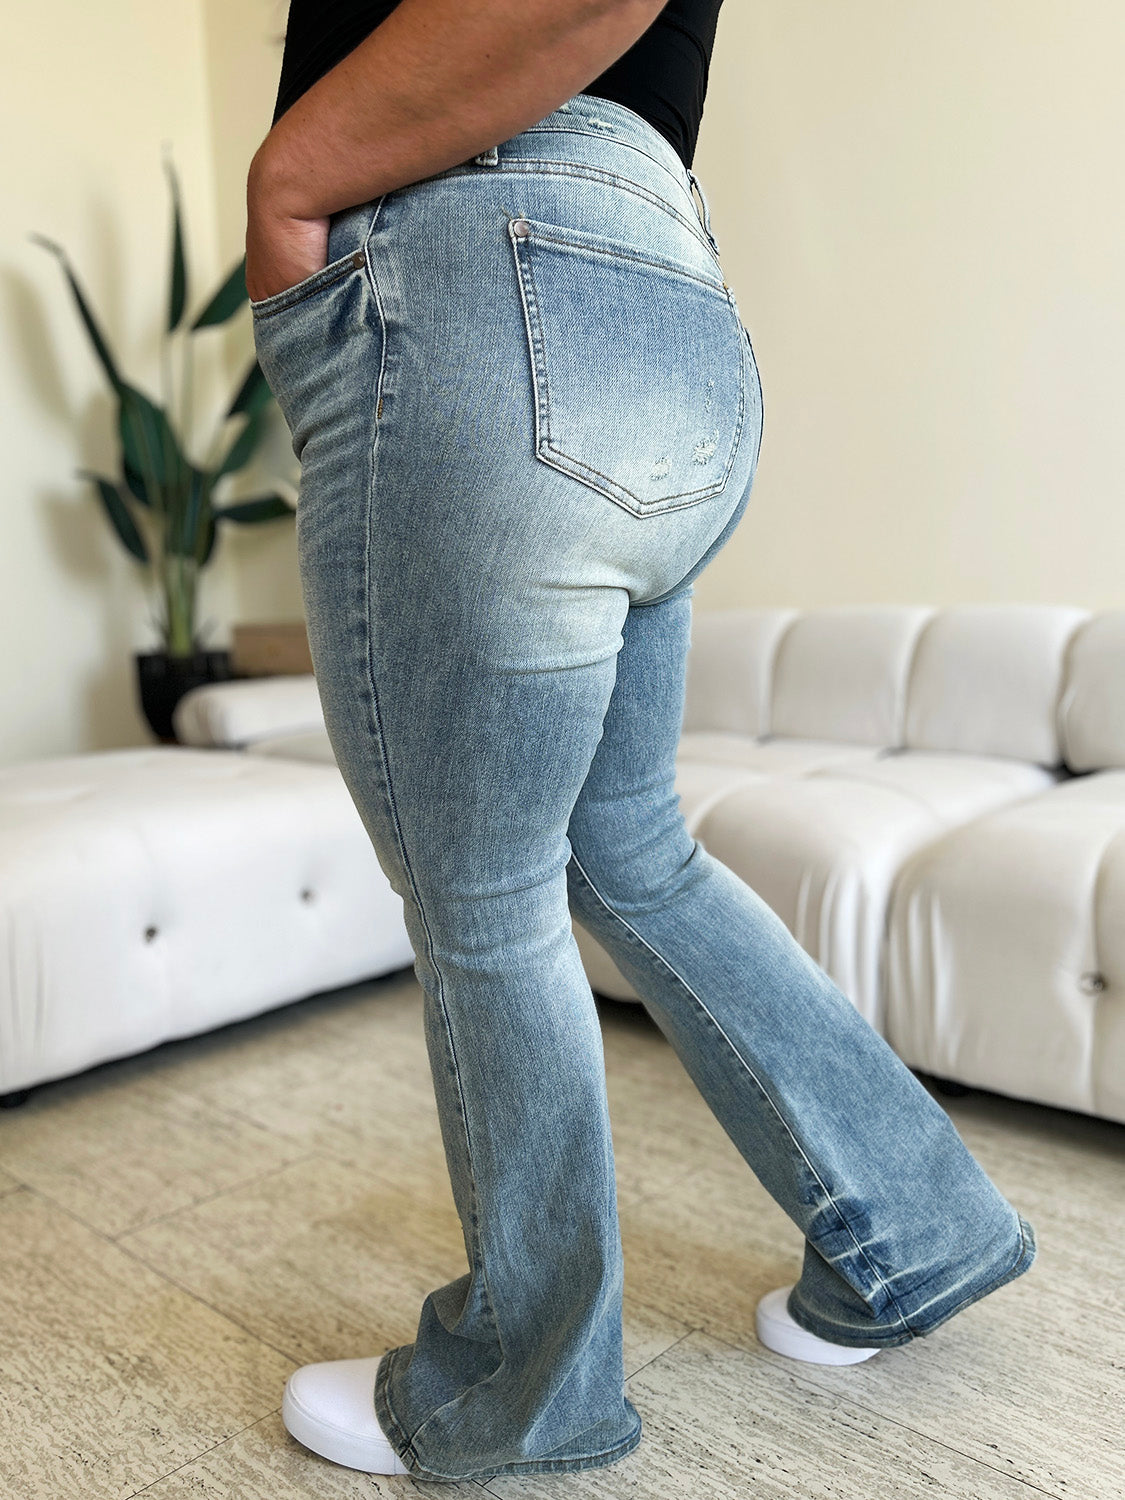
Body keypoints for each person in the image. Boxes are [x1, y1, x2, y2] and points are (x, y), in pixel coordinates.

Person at [245, 0, 1038, 1484]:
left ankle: (521, 1385)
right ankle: (917, 1228)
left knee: (481, 887)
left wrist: (289, 183)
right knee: (629, 846)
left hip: (480, 270)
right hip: (657, 288)